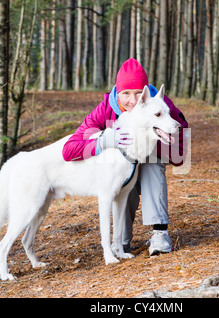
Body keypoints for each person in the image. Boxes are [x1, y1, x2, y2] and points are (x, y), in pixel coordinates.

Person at [62, 58, 189, 256]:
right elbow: (69, 150)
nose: (134, 101)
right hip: (120, 170)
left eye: (139, 93)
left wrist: (150, 143)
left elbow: (180, 155)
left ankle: (159, 234)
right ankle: (121, 241)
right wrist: (102, 142)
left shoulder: (161, 106)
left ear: (146, 92)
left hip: (149, 166)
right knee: (123, 168)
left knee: (151, 164)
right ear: (117, 92)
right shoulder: (105, 110)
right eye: (126, 94)